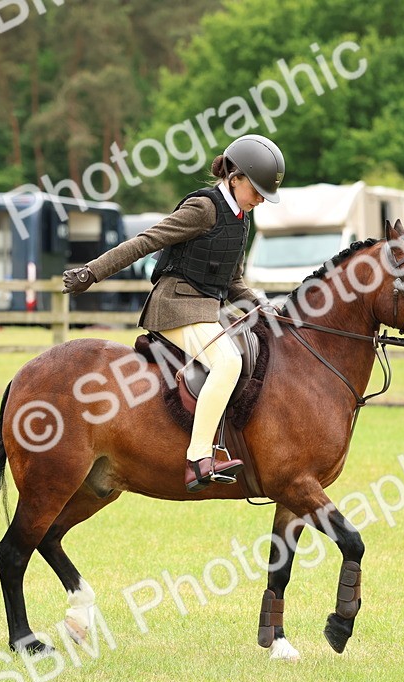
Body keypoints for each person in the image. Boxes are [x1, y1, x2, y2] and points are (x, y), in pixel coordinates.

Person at [63, 134, 285, 492]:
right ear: (235, 177)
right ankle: (199, 458)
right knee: (228, 362)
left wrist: (265, 306)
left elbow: (233, 282)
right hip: (174, 307)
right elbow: (145, 241)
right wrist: (92, 272)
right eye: (257, 189)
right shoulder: (204, 209)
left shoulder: (241, 219)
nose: (261, 198)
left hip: (206, 309)